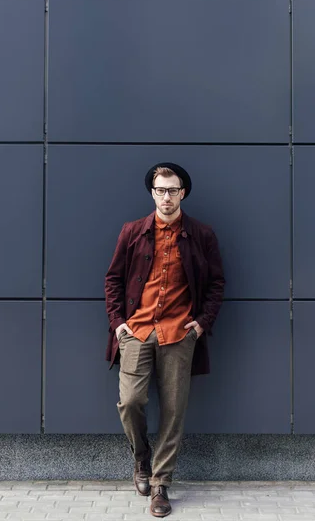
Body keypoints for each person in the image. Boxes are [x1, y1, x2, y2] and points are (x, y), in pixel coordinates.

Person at [105, 162, 225, 518]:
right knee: (130, 401)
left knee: (174, 411)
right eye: (160, 190)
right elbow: (112, 279)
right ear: (152, 192)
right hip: (137, 329)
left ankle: (160, 484)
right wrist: (117, 323)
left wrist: (202, 323)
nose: (167, 196)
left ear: (183, 192)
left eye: (173, 190)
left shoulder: (201, 235)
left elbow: (217, 284)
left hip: (179, 333)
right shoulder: (133, 232)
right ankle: (141, 459)